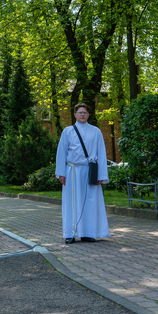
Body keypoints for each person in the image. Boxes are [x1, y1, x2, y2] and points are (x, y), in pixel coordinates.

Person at [56, 103, 112, 243]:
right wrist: (61, 173)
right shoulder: (68, 131)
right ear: (75, 114)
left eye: (85, 112)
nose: (82, 114)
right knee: (72, 203)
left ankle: (88, 232)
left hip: (89, 171)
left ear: (88, 115)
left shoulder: (96, 131)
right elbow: (61, 153)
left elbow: (101, 154)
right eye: (80, 112)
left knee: (90, 202)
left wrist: (101, 175)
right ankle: (71, 233)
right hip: (73, 172)